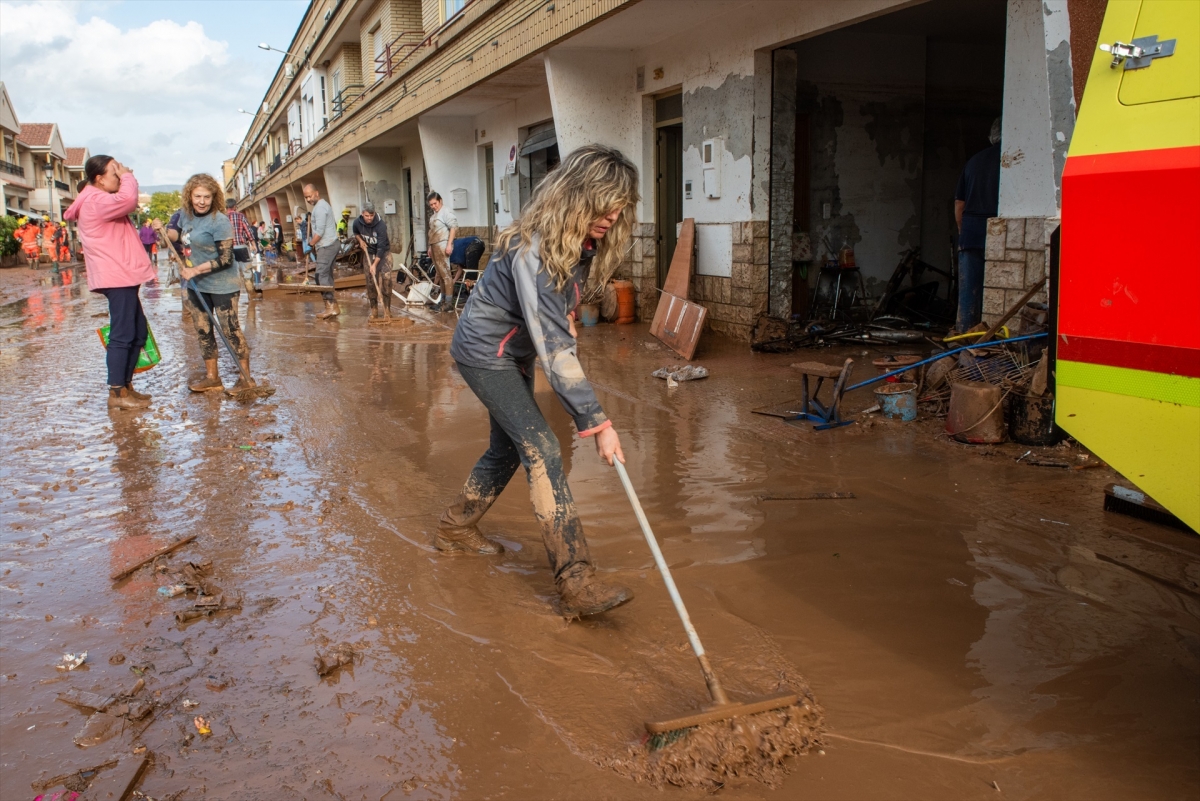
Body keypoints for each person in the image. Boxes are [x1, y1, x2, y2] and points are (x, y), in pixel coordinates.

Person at [438, 145, 638, 618]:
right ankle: (576, 580)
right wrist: (598, 423)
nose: (612, 214)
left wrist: (565, 313)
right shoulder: (535, 248)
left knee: (508, 448)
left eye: (619, 205)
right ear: (576, 195)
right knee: (543, 449)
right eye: (604, 202)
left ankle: (454, 529)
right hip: (487, 354)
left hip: (512, 350)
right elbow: (554, 350)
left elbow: (552, 308)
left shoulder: (579, 243)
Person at [63, 155, 157, 410]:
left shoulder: (98, 198)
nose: (119, 176)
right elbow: (128, 200)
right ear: (99, 179)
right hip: (116, 275)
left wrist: (122, 175)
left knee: (137, 331)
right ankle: (117, 392)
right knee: (123, 333)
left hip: (122, 274)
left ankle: (125, 387)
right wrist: (127, 176)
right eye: (113, 173)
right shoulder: (95, 200)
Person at [157, 173, 257, 394]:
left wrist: (195, 269)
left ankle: (245, 378)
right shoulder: (185, 216)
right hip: (196, 286)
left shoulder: (219, 221)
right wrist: (163, 229)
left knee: (231, 331)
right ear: (189, 196)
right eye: (197, 196)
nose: (201, 201)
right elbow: (176, 235)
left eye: (207, 197)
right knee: (203, 331)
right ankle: (212, 377)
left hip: (223, 285)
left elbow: (226, 258)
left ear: (214, 198)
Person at [955, 117, 1002, 332]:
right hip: (1000, 232)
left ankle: (965, 333)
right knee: (997, 292)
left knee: (969, 292)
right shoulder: (1012, 160)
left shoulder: (974, 161)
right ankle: (990, 335)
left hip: (971, 230)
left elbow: (959, 204)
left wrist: (962, 231)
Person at [303, 183, 340, 319]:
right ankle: (333, 307)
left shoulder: (319, 208)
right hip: (329, 244)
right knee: (326, 276)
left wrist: (310, 244)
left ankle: (330, 306)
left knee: (320, 276)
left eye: (310, 196)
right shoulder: (321, 206)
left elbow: (319, 231)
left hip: (327, 245)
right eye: (306, 197)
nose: (308, 199)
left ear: (316, 193)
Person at [352, 201, 392, 320]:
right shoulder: (357, 223)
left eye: (371, 215)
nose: (369, 218)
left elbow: (381, 248)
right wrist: (360, 240)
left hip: (384, 253)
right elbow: (356, 232)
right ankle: (374, 310)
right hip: (368, 252)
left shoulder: (381, 225)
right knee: (370, 282)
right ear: (362, 214)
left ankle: (387, 310)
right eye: (367, 216)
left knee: (387, 280)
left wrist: (374, 264)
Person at [426, 191, 457, 303]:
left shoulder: (446, 212)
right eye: (431, 205)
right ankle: (442, 300)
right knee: (439, 273)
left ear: (440, 201)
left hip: (443, 244)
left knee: (446, 274)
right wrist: (430, 247)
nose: (434, 206)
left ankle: (448, 303)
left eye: (435, 203)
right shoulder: (433, 216)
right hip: (434, 245)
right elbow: (432, 232)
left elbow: (453, 227)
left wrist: (449, 244)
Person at [226, 198, 258, 285]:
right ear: (235, 206)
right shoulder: (240, 216)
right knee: (247, 272)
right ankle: (251, 294)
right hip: (241, 247)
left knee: (232, 273)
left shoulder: (222, 218)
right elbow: (248, 231)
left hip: (228, 249)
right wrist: (253, 244)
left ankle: (235, 295)